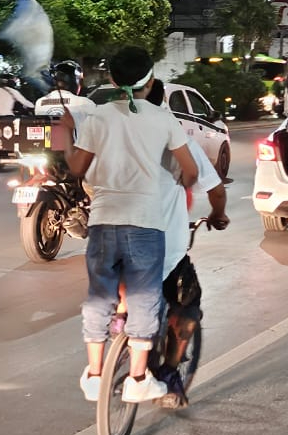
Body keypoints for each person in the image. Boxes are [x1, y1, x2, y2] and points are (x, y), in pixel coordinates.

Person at [66, 47, 198, 405]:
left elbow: (78, 168)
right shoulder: (163, 119)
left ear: (111, 80)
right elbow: (191, 172)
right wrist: (178, 181)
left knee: (99, 296)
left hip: (104, 221)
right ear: (150, 80)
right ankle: (139, 378)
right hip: (145, 223)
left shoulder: (97, 117)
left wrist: (67, 137)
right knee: (144, 297)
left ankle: (94, 375)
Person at [143, 78, 229, 408]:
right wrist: (219, 215)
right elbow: (215, 189)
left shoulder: (109, 130)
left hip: (111, 243)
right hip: (162, 248)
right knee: (186, 305)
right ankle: (168, 374)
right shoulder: (173, 137)